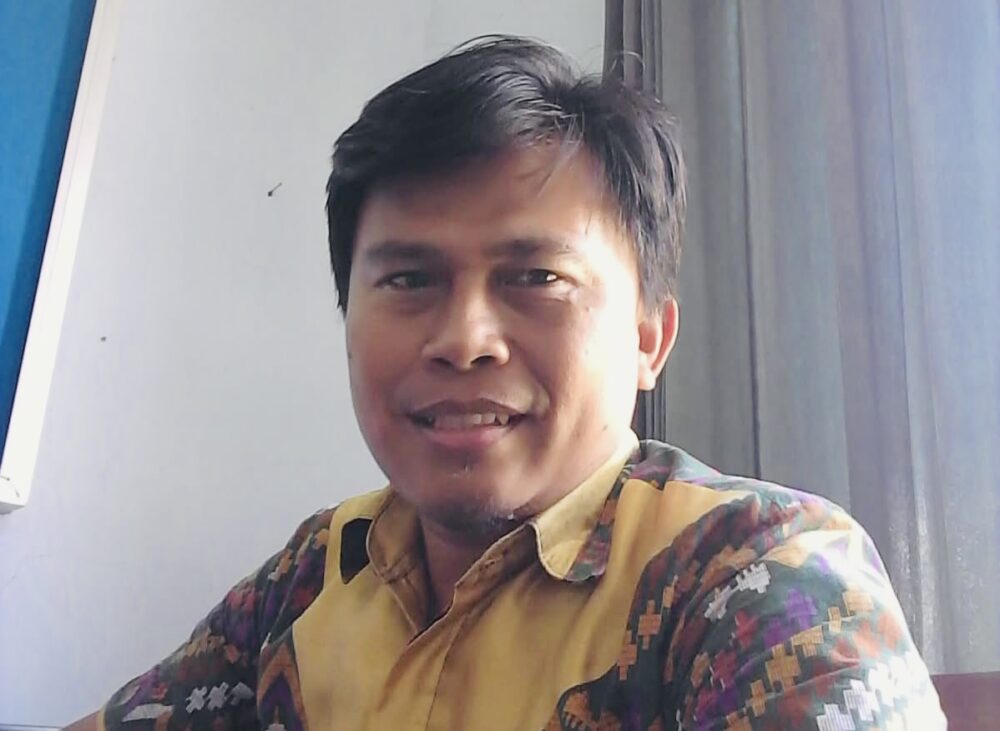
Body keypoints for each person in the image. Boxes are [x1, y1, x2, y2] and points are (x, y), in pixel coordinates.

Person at [68, 36, 944, 730]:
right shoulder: (317, 571)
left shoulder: (759, 574)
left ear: (648, 337)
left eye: (535, 277)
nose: (463, 339)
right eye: (409, 279)